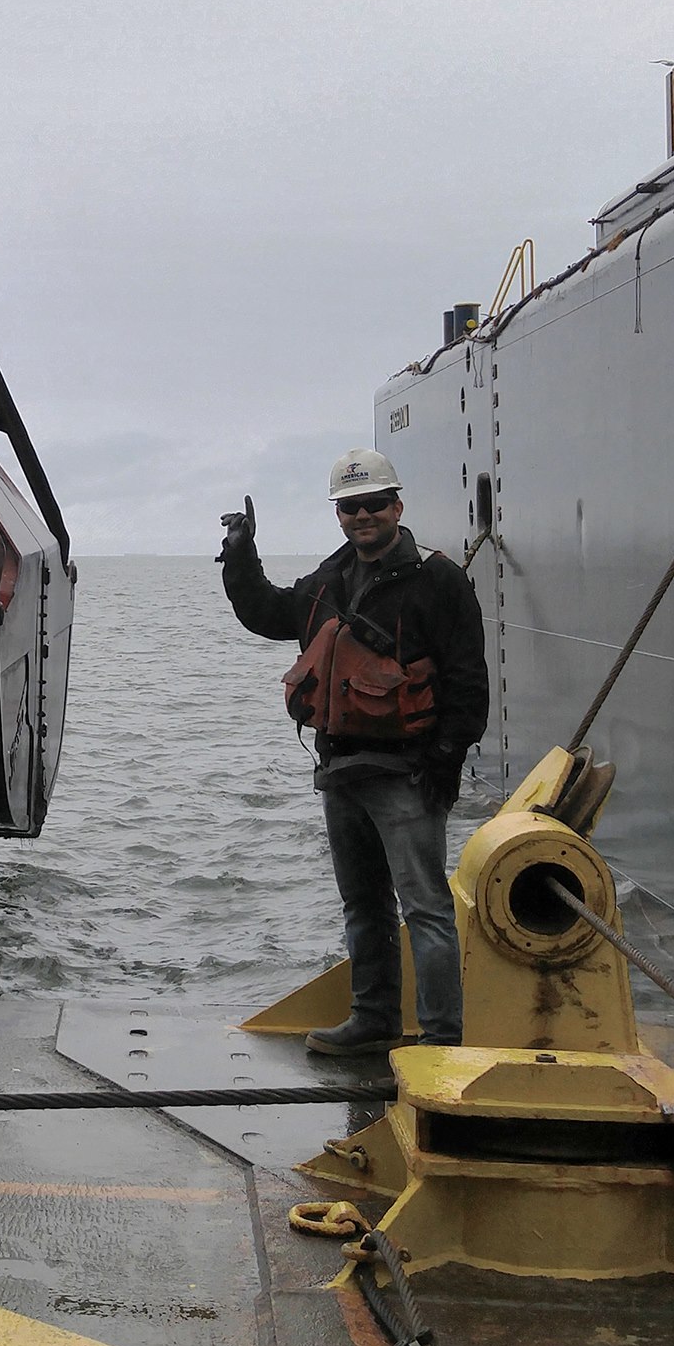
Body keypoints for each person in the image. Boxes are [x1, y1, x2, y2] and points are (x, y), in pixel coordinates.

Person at [218, 448, 488, 1055]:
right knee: (364, 906)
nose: (362, 516)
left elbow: (468, 679)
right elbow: (269, 612)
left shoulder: (438, 579)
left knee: (425, 910)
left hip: (408, 775)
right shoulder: (330, 580)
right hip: (341, 769)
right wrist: (240, 556)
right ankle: (374, 1021)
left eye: (373, 504)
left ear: (397, 507)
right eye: (350, 507)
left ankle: (442, 1040)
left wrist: (444, 760)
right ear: (339, 515)